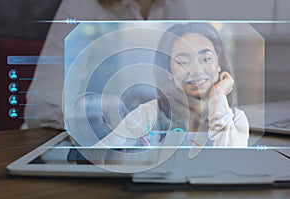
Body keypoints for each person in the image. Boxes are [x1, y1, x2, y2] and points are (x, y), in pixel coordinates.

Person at [24, 0, 202, 133]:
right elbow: (42, 106)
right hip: (73, 141)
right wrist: (107, 110)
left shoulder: (172, 6)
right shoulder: (82, 5)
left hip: (147, 141)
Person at [95, 23, 249, 148]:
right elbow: (99, 153)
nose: (196, 70)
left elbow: (231, 160)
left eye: (206, 59)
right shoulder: (149, 114)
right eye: (183, 62)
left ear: (219, 63)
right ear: (168, 70)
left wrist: (218, 96)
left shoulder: (236, 119)